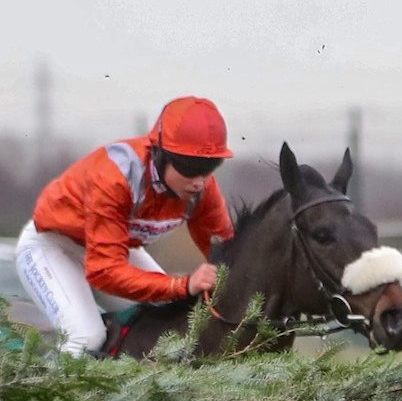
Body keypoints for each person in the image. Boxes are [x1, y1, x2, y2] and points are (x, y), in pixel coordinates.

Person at [13, 96, 236, 357]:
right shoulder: (114, 177)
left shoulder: (201, 189)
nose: (199, 181)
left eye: (209, 167)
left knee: (173, 319)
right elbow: (104, 271)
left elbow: (227, 249)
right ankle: (39, 392)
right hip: (52, 247)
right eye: (190, 167)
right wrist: (181, 285)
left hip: (114, 248)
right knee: (86, 336)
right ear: (160, 153)